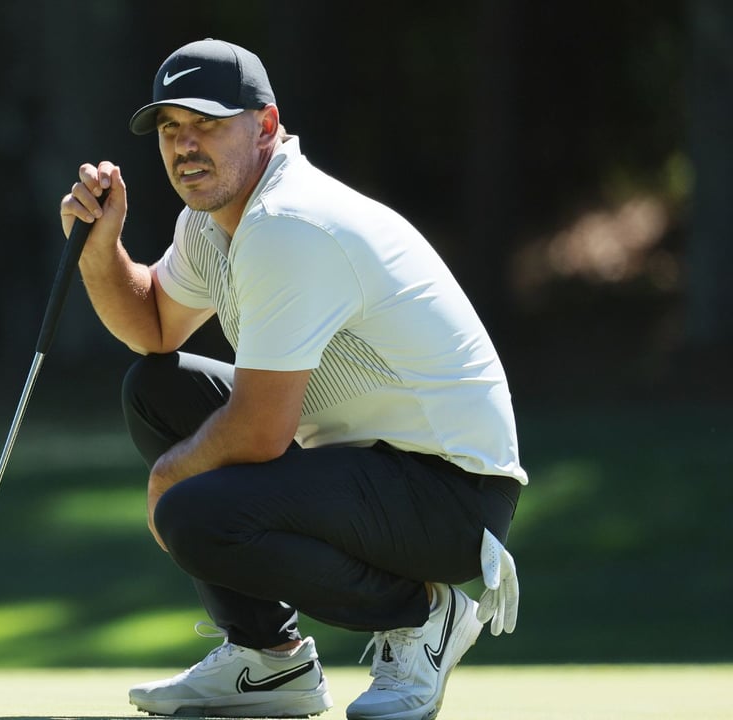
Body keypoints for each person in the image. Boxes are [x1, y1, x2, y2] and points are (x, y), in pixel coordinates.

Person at [59, 38, 526, 720]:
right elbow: (153, 327)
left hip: (453, 497)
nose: (185, 146)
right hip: (369, 470)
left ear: (267, 126)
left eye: (208, 124)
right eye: (170, 128)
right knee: (156, 390)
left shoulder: (288, 223)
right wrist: (102, 251)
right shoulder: (211, 221)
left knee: (192, 510)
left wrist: (167, 481)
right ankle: (267, 662)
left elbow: (259, 429)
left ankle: (424, 616)